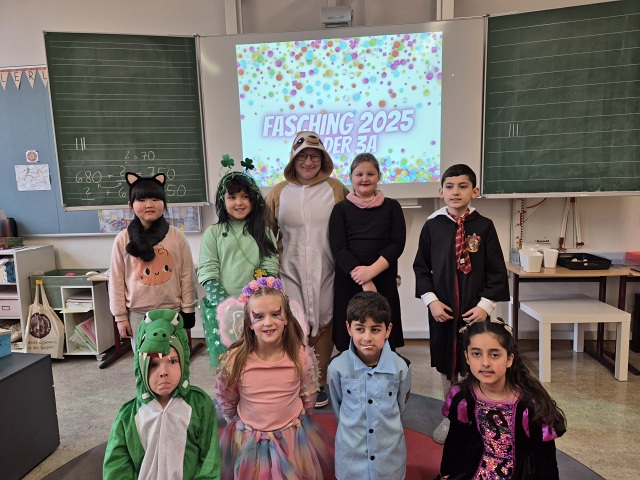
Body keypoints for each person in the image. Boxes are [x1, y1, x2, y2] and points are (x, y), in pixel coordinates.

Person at [413, 163, 509, 443]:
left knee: (479, 361)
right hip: (443, 311)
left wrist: (485, 306)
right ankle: (452, 415)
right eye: (450, 186)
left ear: (474, 191)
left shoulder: (484, 226)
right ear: (441, 191)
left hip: (474, 312)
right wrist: (431, 301)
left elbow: (496, 271)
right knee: (449, 363)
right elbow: (421, 268)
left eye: (463, 186)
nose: (456, 192)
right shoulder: (432, 226)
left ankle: (481, 413)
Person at [213, 277, 333, 479]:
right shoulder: (235, 360)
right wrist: (237, 423)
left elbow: (308, 395)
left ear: (286, 317)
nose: (268, 322)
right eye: (259, 317)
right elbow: (227, 398)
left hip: (290, 437)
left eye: (275, 314)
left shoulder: (301, 357)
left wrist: (297, 419)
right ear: (249, 323)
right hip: (250, 439)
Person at [265, 130, 348, 408]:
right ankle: (294, 377)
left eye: (315, 156)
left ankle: (320, 380)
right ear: (293, 159)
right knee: (294, 323)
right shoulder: (278, 192)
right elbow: (265, 233)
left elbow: (352, 225)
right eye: (303, 156)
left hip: (328, 268)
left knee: (324, 319)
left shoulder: (336, 189)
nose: (309, 162)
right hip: (289, 270)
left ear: (323, 159)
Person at [439, 318, 566, 479]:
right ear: (467, 357)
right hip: (474, 469)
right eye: (476, 354)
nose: (485, 363)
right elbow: (455, 440)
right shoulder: (463, 397)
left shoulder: (530, 405)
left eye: (494, 355)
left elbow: (545, 459)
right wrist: (447, 473)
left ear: (509, 359)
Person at [103, 309, 221, 479]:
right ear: (142, 367)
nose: (164, 372)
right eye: (154, 364)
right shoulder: (127, 415)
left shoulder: (200, 405)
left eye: (172, 361)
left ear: (183, 362)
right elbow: (116, 466)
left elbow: (210, 460)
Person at [198, 163, 279, 367]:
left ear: (254, 200)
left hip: (257, 308)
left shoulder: (264, 232)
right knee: (228, 362)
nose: (239, 202)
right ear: (222, 200)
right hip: (221, 307)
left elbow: (270, 266)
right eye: (232, 197)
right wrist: (226, 305)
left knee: (257, 358)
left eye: (245, 197)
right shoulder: (213, 233)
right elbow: (208, 270)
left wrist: (255, 300)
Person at [328, 291, 412, 480]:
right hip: (351, 460)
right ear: (349, 328)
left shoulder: (401, 367)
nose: (367, 337)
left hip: (388, 460)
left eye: (375, 330)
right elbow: (337, 406)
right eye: (360, 329)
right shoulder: (337, 367)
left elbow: (401, 407)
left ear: (388, 330)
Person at [329, 153, 406, 352]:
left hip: (383, 278)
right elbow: (338, 247)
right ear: (351, 177)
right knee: (350, 339)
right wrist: (364, 279)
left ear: (379, 176)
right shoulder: (340, 209)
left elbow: (397, 243)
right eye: (359, 174)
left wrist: (371, 272)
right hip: (350, 281)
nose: (365, 179)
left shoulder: (392, 206)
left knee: (383, 333)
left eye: (370, 174)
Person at [109, 172, 197, 340]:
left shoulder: (177, 236)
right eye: (141, 200)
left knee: (175, 354)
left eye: (155, 199)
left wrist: (188, 309)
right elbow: (116, 280)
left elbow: (187, 275)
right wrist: (120, 316)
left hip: (172, 312)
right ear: (131, 205)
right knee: (143, 355)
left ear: (164, 203)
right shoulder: (122, 239)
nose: (149, 205)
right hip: (137, 313)